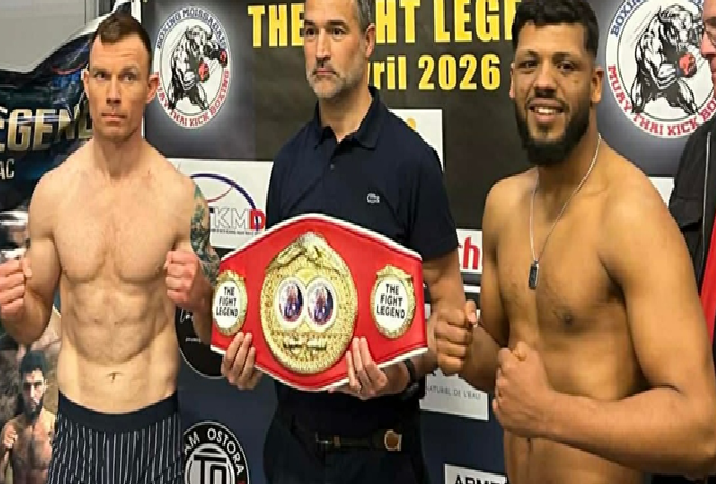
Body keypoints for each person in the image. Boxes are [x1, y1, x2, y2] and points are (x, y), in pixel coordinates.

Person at [434, 0, 716, 483]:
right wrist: (463, 347)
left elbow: (702, 432)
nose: (544, 81)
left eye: (565, 66)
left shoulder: (630, 215)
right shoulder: (502, 205)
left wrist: (548, 412)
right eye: (529, 64)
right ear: (512, 81)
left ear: (595, 85)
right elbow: (501, 370)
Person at [219, 0, 469, 481]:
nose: (320, 50)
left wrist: (399, 374)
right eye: (310, 32)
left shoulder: (413, 162)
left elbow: (450, 313)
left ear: (368, 41)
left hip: (379, 456)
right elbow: (274, 306)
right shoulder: (288, 163)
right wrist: (249, 360)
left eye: (336, 31)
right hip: (291, 451)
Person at [0, 11, 219, 484]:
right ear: (86, 83)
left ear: (152, 87)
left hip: (153, 429)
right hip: (76, 428)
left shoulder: (181, 199)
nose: (113, 94)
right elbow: (34, 318)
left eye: (128, 77)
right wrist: (13, 309)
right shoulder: (53, 194)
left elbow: (213, 335)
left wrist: (202, 297)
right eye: (101, 76)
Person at [662, 1, 716, 482]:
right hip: (693, 432)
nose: (703, 47)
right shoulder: (702, 147)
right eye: (704, 30)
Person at [0, 351, 55, 484]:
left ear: (45, 385)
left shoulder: (55, 427)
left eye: (37, 385)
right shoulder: (11, 429)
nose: (31, 394)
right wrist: (1, 452)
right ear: (20, 387)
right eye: (26, 386)